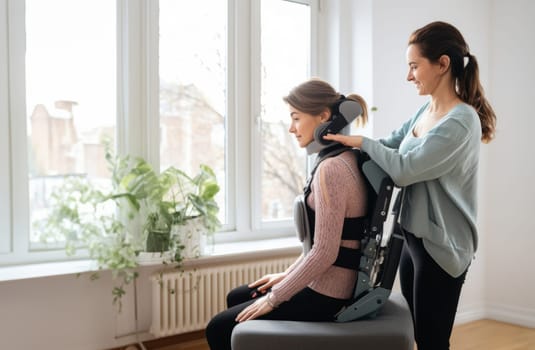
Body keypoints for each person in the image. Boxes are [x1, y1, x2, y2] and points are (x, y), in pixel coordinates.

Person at [324, 21, 497, 350]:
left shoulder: (461, 121)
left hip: (442, 246)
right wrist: (345, 148)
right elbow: (389, 144)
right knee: (418, 333)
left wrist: (362, 141)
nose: (409, 76)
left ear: (442, 64)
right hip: (411, 237)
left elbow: (404, 170)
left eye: (414, 66)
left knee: (433, 340)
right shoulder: (427, 109)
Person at [205, 78, 369, 350]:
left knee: (218, 328)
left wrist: (273, 298)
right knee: (238, 296)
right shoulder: (347, 158)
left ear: (323, 117)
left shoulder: (332, 170)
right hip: (335, 283)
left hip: (329, 294)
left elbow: (325, 252)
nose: (291, 128)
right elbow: (325, 246)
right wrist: (285, 275)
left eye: (296, 118)